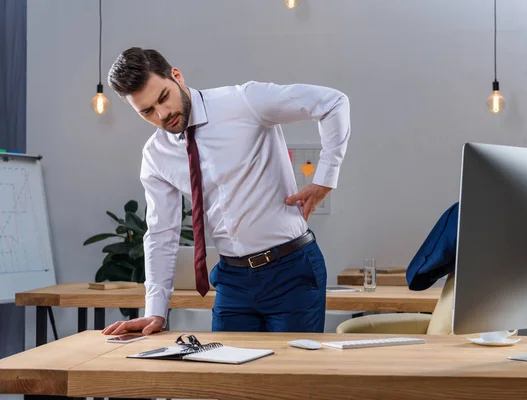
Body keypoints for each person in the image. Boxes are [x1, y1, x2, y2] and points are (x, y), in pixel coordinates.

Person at [101, 47, 351, 336]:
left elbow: (333, 103)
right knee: (225, 377)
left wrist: (324, 179)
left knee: (290, 379)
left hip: (291, 271)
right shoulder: (156, 156)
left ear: (177, 77)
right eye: (147, 111)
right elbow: (161, 232)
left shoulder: (243, 102)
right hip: (232, 280)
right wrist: (156, 311)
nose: (162, 113)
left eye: (163, 98)